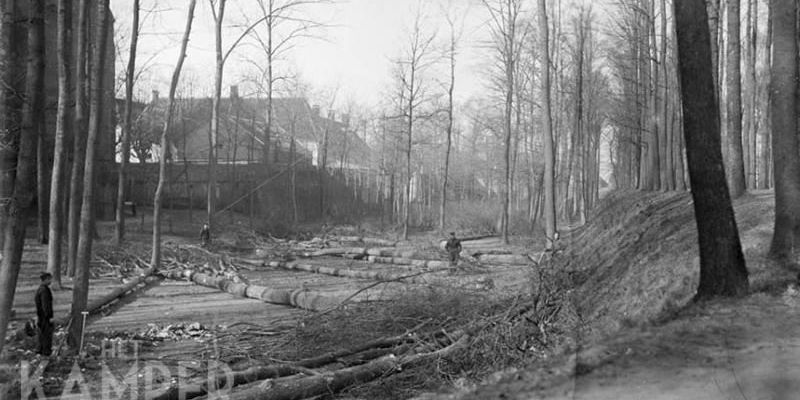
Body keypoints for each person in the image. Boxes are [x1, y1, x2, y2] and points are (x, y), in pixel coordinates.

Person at [34, 272, 54, 356]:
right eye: (49, 279)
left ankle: (40, 350)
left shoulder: (41, 289)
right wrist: (49, 316)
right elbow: (45, 304)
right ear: (45, 279)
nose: (51, 281)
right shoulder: (44, 290)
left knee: (42, 334)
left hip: (41, 315)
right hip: (44, 317)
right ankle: (45, 352)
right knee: (46, 335)